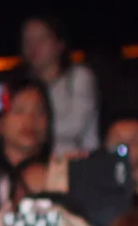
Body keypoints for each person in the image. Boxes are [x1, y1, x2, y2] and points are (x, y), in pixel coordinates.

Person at [20, 15, 98, 153]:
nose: (33, 46)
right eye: (28, 40)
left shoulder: (78, 76)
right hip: (39, 162)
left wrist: (30, 128)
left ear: (60, 44)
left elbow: (75, 124)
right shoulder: (24, 87)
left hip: (77, 159)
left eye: (41, 39)